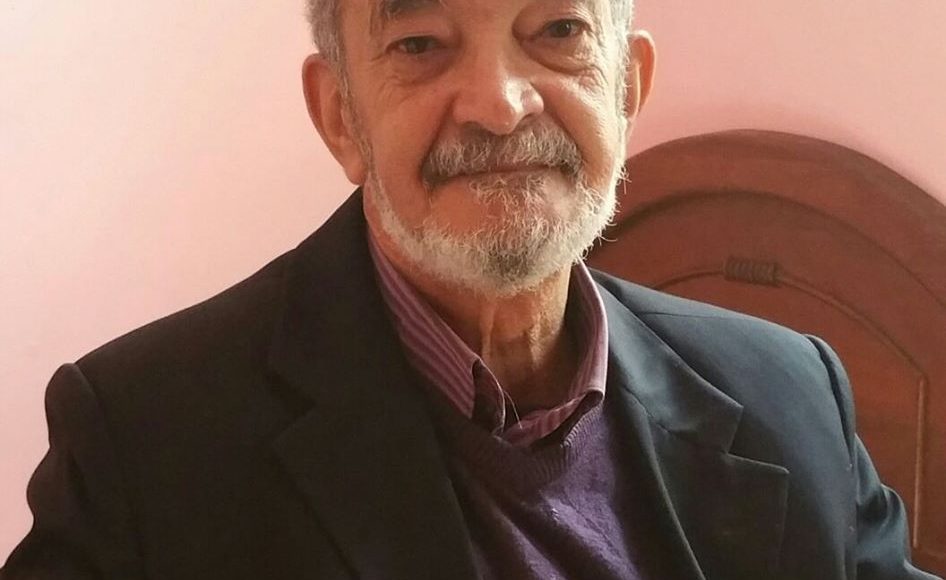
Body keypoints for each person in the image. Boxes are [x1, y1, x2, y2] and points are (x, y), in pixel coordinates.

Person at [2, 0, 939, 578]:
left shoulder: (791, 394)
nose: (499, 102)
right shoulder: (145, 438)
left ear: (628, 90)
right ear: (340, 116)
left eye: (559, 31)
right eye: (420, 43)